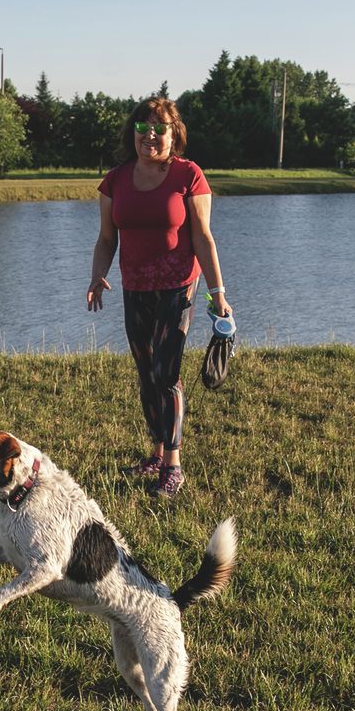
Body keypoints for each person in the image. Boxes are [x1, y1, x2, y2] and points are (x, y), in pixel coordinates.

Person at [86, 97, 231, 499]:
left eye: (159, 128)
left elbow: (203, 236)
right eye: (142, 127)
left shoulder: (189, 175)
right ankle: (155, 450)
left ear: (174, 133)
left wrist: (218, 293)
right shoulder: (115, 180)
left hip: (179, 284)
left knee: (166, 374)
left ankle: (172, 465)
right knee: (146, 371)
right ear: (133, 132)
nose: (150, 135)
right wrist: (98, 275)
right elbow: (106, 237)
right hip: (135, 286)